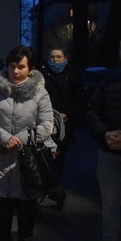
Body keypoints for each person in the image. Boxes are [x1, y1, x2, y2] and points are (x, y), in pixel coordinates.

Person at [0, 45, 54, 241]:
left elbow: (46, 125)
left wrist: (20, 138)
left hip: (27, 162)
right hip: (0, 158)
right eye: (12, 66)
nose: (15, 71)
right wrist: (4, 138)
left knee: (25, 212)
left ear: (30, 70)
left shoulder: (40, 93)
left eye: (21, 67)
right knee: (2, 212)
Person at [87, 33, 121, 241]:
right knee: (110, 206)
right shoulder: (109, 80)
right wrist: (104, 134)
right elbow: (92, 113)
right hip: (108, 155)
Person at [38, 47, 81, 208]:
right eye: (52, 57)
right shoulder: (42, 74)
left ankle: (55, 188)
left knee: (59, 158)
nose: (55, 60)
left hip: (64, 125)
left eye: (58, 57)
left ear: (65, 58)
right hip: (45, 123)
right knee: (42, 158)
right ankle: (44, 188)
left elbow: (79, 100)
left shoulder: (72, 74)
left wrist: (67, 114)